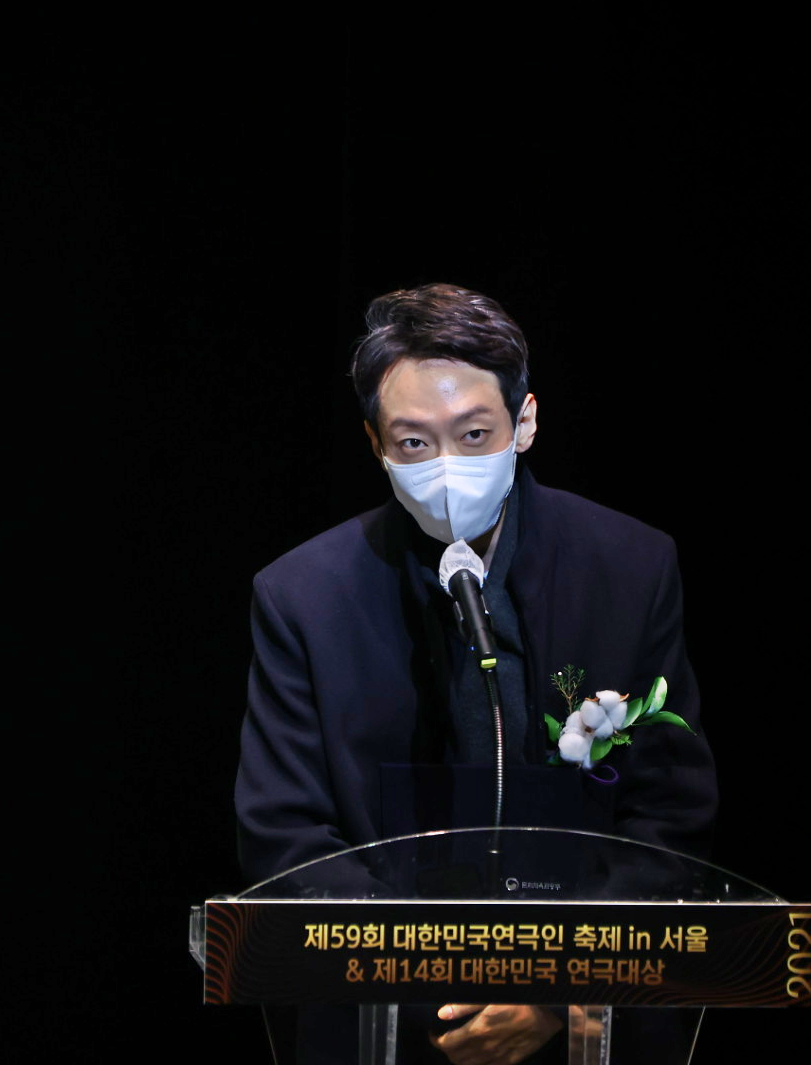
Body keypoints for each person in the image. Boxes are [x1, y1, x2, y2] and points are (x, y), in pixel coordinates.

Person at [235, 284, 717, 1064]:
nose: (447, 467)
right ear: (375, 443)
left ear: (524, 422)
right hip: (382, 1022)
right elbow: (285, 836)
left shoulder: (629, 568)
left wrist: (555, 989)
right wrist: (437, 996)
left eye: (474, 434)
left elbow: (669, 813)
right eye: (413, 442)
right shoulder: (303, 596)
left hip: (584, 1025)